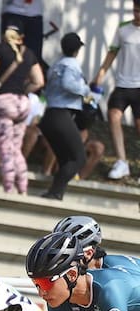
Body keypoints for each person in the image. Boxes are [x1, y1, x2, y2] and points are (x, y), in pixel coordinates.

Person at [0, 24, 43, 194]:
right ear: (21, 37)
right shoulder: (29, 53)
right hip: (22, 104)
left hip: (3, 103)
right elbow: (39, 81)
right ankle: (23, 189)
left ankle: (9, 188)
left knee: (5, 149)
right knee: (15, 149)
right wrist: (23, 90)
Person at [39, 34, 93, 200]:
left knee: (65, 158)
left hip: (49, 116)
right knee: (79, 159)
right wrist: (85, 90)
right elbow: (68, 84)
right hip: (61, 115)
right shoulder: (71, 64)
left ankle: (57, 193)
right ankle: (55, 192)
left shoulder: (56, 65)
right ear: (77, 50)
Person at [92, 0, 140, 181]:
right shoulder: (123, 28)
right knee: (113, 115)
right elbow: (112, 52)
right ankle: (122, 162)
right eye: (135, 11)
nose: (137, 15)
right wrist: (101, 73)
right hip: (123, 83)